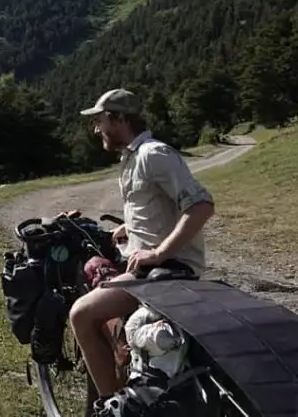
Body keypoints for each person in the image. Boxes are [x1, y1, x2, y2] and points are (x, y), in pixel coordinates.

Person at [68, 88, 216, 415]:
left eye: (100, 120)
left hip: (166, 273)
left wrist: (158, 252)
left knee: (81, 313)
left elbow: (201, 205)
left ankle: (114, 408)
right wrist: (129, 229)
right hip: (149, 268)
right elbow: (156, 206)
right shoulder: (133, 157)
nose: (96, 129)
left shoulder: (153, 154)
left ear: (120, 117)